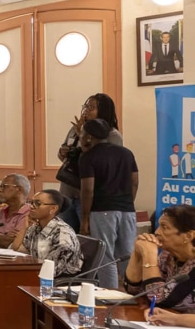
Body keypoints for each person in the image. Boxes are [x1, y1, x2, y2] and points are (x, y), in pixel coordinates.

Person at [79, 118, 138, 289]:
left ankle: (110, 296)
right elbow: (134, 181)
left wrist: (84, 218)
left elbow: (88, 190)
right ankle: (131, 294)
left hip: (102, 210)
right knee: (127, 255)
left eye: (82, 134)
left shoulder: (88, 157)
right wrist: (127, 202)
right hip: (127, 209)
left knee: (106, 257)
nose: (81, 137)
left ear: (89, 137)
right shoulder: (127, 153)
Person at [56, 94, 123, 231]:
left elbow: (102, 162)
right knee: (65, 236)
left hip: (90, 197)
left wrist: (82, 134)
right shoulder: (75, 128)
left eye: (91, 107)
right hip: (68, 191)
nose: (86, 110)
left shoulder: (112, 135)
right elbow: (65, 155)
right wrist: (63, 152)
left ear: (103, 110)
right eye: (85, 106)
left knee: (88, 239)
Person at [126, 205, 195, 326]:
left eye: (164, 227)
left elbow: (158, 298)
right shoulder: (167, 255)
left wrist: (149, 255)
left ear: (188, 236)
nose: (157, 232)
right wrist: (137, 253)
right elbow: (135, 291)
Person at [9, 190, 83, 277]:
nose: (31, 207)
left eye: (37, 203)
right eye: (31, 202)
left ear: (53, 209)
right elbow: (17, 249)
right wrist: (24, 228)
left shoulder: (62, 234)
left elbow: (52, 270)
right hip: (40, 273)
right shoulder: (36, 227)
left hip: (59, 281)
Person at [0, 173, 31, 249]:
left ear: (19, 189)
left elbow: (13, 244)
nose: (0, 190)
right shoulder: (1, 211)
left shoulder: (29, 213)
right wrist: (3, 236)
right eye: (0, 187)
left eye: (4, 186)